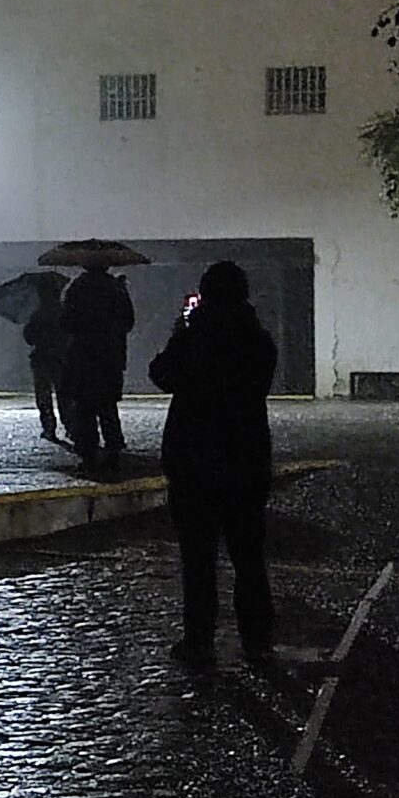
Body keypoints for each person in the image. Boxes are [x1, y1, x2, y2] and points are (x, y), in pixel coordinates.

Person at [148, 260, 279, 668]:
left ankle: (199, 638)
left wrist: (179, 335)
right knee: (249, 556)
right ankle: (257, 638)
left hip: (193, 456)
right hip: (245, 454)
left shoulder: (193, 338)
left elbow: (161, 375)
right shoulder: (258, 339)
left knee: (198, 559)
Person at [59, 259, 136, 468]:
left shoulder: (76, 287)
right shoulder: (116, 288)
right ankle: (113, 447)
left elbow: (65, 321)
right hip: (110, 355)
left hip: (83, 354)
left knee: (84, 407)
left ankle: (88, 451)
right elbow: (128, 321)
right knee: (107, 405)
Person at [22, 279, 68, 443]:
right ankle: (70, 425)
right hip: (61, 358)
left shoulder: (37, 315)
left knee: (43, 395)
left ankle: (49, 427)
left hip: (41, 358)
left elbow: (29, 338)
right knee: (64, 394)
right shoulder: (63, 312)